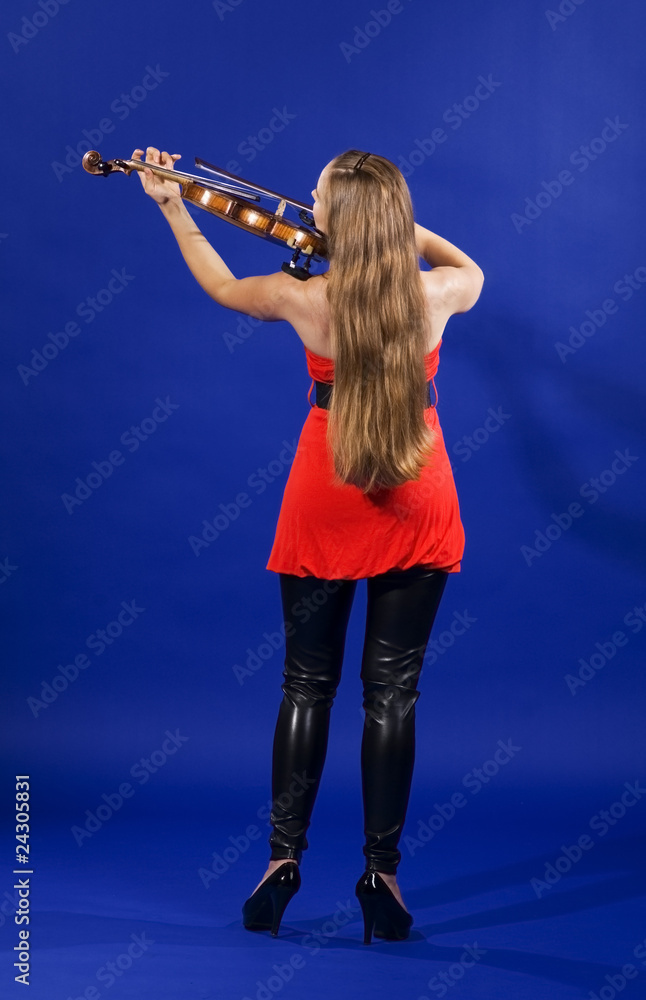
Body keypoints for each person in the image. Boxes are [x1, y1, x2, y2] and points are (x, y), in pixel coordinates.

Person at [132, 145, 484, 944]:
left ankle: (281, 864)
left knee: (304, 686)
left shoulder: (304, 297)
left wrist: (173, 205)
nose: (308, 207)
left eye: (319, 197)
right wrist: (398, 232)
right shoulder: (437, 294)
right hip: (419, 495)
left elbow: (222, 285)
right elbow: (470, 267)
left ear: (339, 219)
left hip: (325, 494)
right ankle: (380, 875)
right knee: (392, 695)